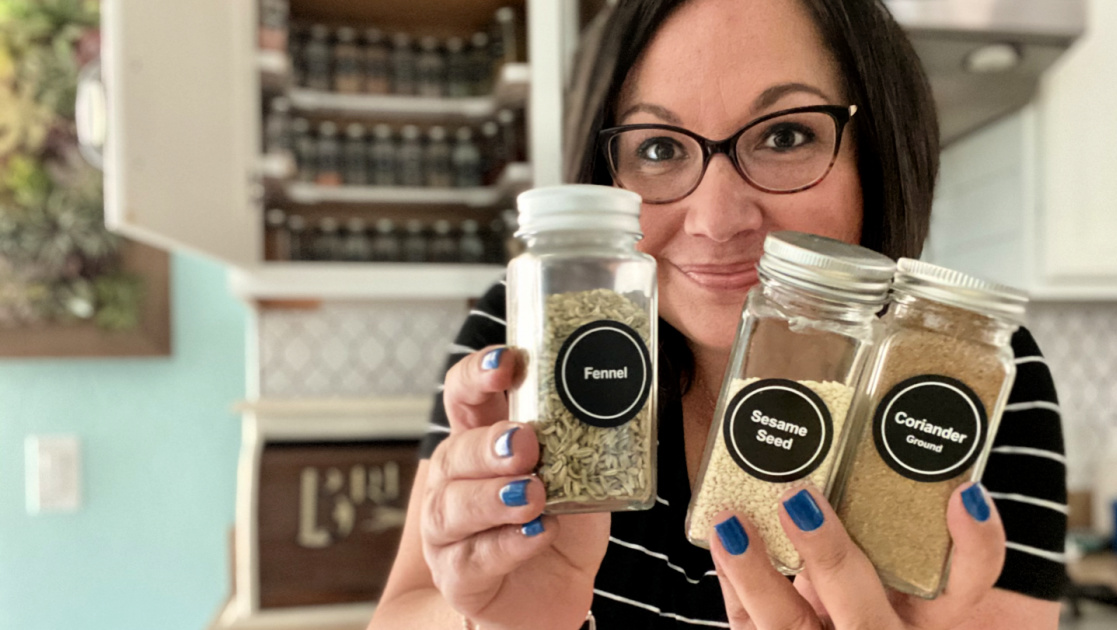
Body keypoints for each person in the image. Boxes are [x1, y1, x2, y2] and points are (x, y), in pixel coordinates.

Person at [369, 0, 1068, 628]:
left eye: (786, 136)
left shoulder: (958, 374)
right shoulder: (536, 333)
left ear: (878, 154)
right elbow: (402, 612)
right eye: (659, 149)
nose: (717, 219)